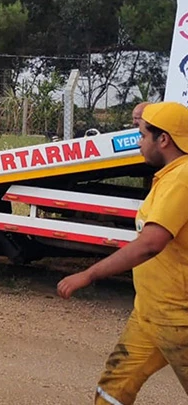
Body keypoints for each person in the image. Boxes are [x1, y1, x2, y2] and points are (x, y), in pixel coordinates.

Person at [57, 102, 188, 405]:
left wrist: (88, 274)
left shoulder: (182, 179)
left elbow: (151, 243)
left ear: (164, 139)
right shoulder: (170, 175)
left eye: (143, 134)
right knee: (113, 387)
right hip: (150, 314)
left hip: (178, 318)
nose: (139, 141)